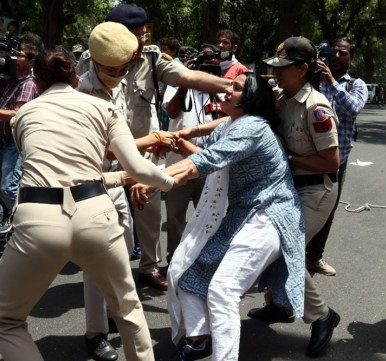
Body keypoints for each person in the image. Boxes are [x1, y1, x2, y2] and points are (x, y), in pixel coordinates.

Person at [0, 49, 179, 361]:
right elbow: (139, 171)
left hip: (38, 218)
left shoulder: (24, 115)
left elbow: (55, 175)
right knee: (128, 309)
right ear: (75, 77)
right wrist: (169, 180)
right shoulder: (102, 108)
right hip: (96, 214)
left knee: (3, 319)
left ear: (36, 81)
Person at [147, 72, 305, 361]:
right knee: (188, 275)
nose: (226, 91)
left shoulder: (253, 127)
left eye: (235, 87)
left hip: (269, 216)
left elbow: (207, 161)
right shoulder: (231, 125)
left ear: (251, 98)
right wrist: (181, 145)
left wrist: (152, 180)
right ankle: (199, 339)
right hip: (240, 215)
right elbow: (210, 156)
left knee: (222, 290)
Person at [76, 4, 233, 291]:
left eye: (143, 33)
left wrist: (230, 86)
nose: (141, 40)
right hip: (105, 156)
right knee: (107, 220)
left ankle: (149, 267)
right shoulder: (90, 62)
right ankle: (108, 274)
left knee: (148, 214)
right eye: (135, 35)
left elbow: (186, 76)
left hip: (143, 153)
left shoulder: (150, 57)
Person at [77, 22, 179, 361]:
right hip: (92, 186)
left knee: (123, 254)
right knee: (96, 262)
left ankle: (110, 315)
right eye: (110, 70)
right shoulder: (81, 91)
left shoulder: (118, 82)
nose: (116, 76)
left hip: (118, 182)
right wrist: (150, 144)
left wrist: (133, 177)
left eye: (123, 70)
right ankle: (95, 332)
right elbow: (104, 149)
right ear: (93, 60)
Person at [247, 36, 341, 357]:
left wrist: (288, 158)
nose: (276, 74)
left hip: (316, 188)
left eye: (283, 68)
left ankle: (322, 316)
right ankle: (278, 305)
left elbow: (332, 162)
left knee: (287, 251)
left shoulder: (316, 107)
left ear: (302, 70)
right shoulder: (283, 97)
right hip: (289, 187)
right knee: (266, 244)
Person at [162, 43, 232, 265]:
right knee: (174, 217)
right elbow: (172, 111)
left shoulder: (222, 89)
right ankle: (175, 259)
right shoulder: (179, 82)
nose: (208, 68)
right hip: (179, 162)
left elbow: (229, 117)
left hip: (210, 164)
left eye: (213, 64)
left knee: (211, 216)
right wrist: (186, 80)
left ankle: (205, 260)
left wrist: (214, 90)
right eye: (204, 65)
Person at [306, 37, 368, 276]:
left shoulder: (356, 85)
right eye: (333, 52)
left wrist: (331, 81)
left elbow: (352, 109)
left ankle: (314, 258)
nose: (337, 57)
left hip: (335, 161)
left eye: (343, 53)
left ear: (351, 58)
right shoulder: (311, 79)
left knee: (327, 212)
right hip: (305, 158)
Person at [0, 31, 43, 235]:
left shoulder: (27, 84)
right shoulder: (11, 80)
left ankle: (29, 226)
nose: (14, 57)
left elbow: (16, 114)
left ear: (32, 59)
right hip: (1, 142)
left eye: (21, 54)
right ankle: (20, 223)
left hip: (13, 145)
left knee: (8, 187)